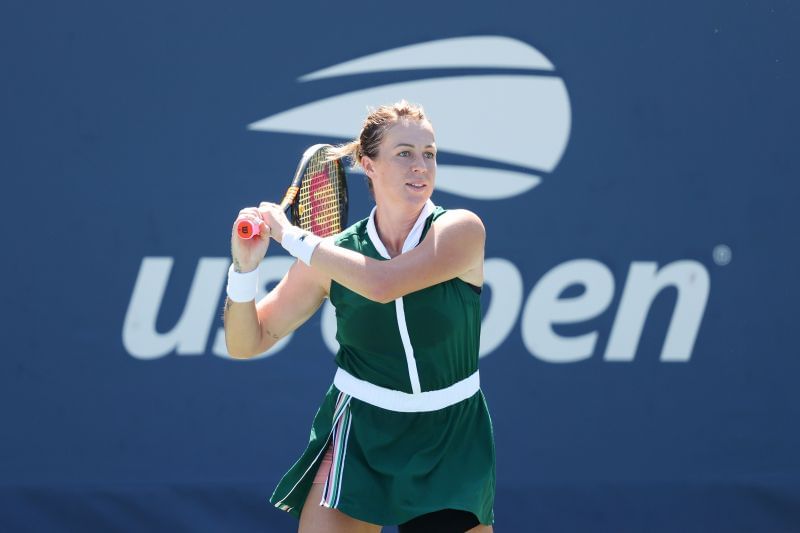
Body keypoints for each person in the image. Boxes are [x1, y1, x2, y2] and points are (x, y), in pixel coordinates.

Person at [224, 101, 495, 533]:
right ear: (367, 165)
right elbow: (247, 341)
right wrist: (245, 269)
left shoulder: (460, 230)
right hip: (361, 433)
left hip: (449, 439)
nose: (421, 166)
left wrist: (293, 237)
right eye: (404, 153)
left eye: (429, 153)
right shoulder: (330, 256)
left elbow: (383, 284)